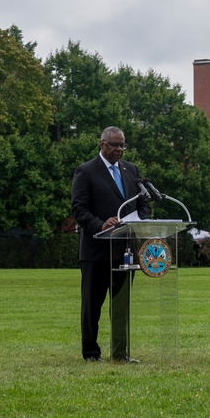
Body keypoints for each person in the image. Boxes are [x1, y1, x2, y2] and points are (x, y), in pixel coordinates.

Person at [71, 127, 151, 362]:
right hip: (96, 251)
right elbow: (78, 209)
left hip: (125, 251)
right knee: (92, 306)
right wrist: (100, 224)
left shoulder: (131, 171)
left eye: (122, 145)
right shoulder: (85, 171)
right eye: (114, 145)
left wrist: (143, 220)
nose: (119, 150)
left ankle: (120, 353)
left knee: (121, 306)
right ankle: (91, 353)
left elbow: (142, 202)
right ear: (102, 144)